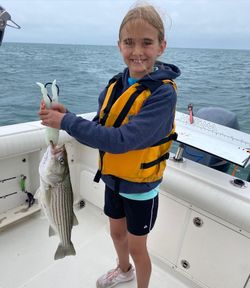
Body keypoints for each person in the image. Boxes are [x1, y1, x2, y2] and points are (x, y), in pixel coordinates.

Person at [39, 3, 180, 288]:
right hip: (113, 180)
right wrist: (66, 117)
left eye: (147, 42)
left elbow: (122, 140)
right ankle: (123, 269)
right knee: (116, 233)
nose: (137, 51)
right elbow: (100, 127)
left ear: (161, 46)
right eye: (129, 42)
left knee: (139, 247)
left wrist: (67, 121)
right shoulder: (115, 85)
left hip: (140, 188)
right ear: (119, 46)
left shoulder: (163, 95)